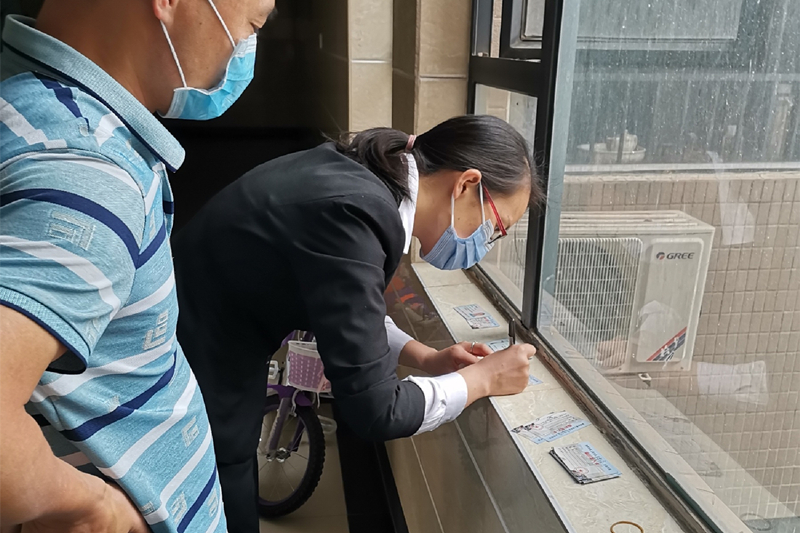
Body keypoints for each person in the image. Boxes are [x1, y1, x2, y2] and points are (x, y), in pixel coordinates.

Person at [172, 114, 544, 532]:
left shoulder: (361, 179)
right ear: (466, 184)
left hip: (208, 336)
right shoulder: (355, 215)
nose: (485, 243)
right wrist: (481, 381)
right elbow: (377, 409)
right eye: (495, 228)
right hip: (196, 359)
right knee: (222, 500)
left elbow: (345, 309)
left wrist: (426, 357)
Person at [0, 1, 272, 532]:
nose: (245, 49)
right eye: (252, 23)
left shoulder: (28, 105)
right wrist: (92, 508)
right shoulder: (89, 173)